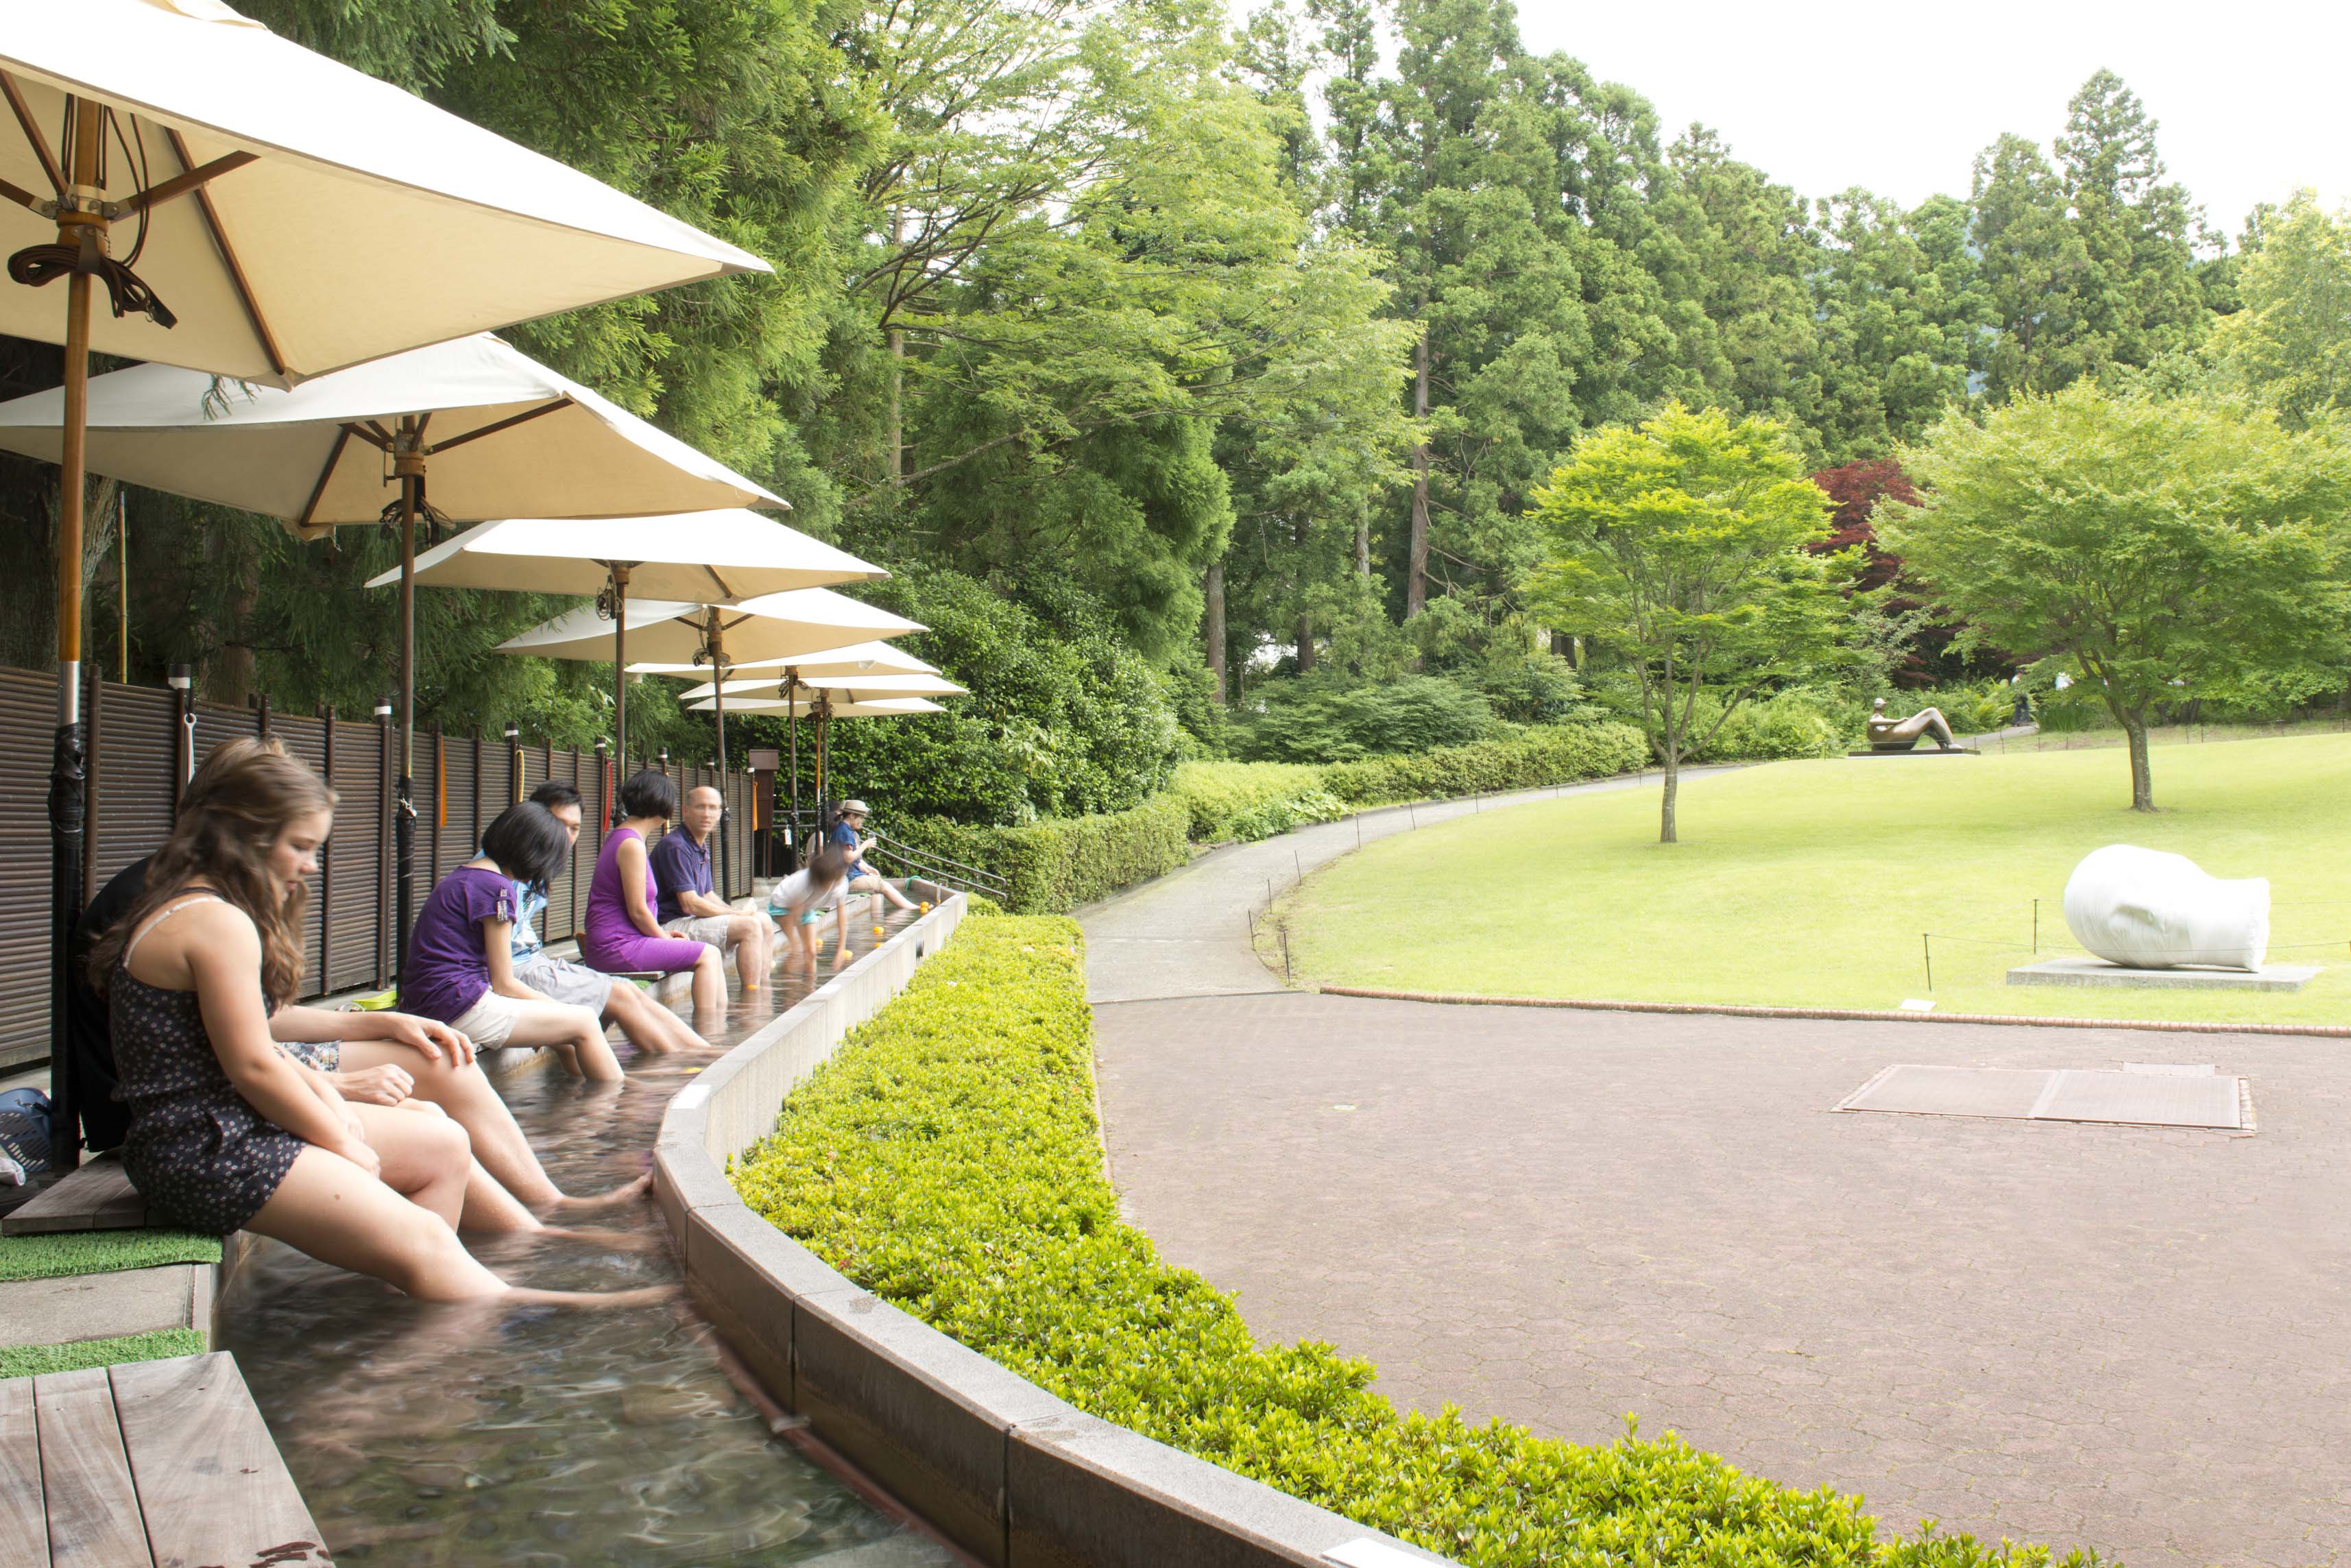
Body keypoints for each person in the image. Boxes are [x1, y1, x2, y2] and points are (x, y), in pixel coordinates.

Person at [90, 745, 633, 1301]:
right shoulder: (218, 921)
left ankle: (446, 1284)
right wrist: (341, 1139)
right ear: (243, 836)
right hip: (207, 1148)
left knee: (442, 1142)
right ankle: (501, 1302)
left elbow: (253, 1046)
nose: (311, 864)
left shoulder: (192, 903)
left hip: (210, 1128)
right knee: (423, 1230)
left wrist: (372, 1046)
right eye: (300, 845)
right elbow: (253, 1065)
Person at [403, 803, 623, 1082]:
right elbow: (504, 983)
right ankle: (618, 1107)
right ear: (535, 855)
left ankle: (581, 1103)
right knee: (585, 1021)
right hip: (456, 1005)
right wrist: (554, 1007)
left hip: (432, 1000)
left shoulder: (467, 875)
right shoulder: (497, 888)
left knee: (565, 1038)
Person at [507, 779, 708, 1057]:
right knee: (620, 997)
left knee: (624, 993)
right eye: (558, 823)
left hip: (540, 961)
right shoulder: (501, 877)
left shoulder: (531, 870)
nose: (565, 835)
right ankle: (688, 1062)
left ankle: (705, 1055)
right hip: (595, 951)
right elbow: (500, 970)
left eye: (574, 828)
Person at [581, 771, 725, 1013]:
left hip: (620, 942)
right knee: (709, 955)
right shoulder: (631, 845)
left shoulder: (624, 838)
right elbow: (638, 910)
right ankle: (711, 1031)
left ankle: (719, 1026)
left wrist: (664, 937)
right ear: (663, 804)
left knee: (707, 953)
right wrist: (663, 937)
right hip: (617, 946)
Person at [651, 784, 772, 990]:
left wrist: (736, 913)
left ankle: (764, 986)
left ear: (720, 813)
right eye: (701, 807)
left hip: (688, 919)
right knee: (749, 926)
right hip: (669, 926)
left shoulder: (699, 845)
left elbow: (706, 894)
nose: (707, 814)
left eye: (713, 808)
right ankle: (752, 1000)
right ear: (686, 811)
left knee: (764, 921)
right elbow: (689, 904)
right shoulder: (676, 846)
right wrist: (735, 915)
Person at [767, 845, 853, 971]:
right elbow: (796, 914)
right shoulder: (805, 882)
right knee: (798, 951)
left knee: (811, 953)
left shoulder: (841, 882)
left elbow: (842, 917)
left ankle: (810, 988)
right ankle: (790, 986)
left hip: (806, 907)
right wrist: (798, 945)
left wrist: (841, 950)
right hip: (782, 904)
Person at [828, 799, 915, 915]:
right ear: (852, 816)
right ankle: (913, 909)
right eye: (861, 818)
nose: (862, 822)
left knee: (878, 882)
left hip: (848, 877)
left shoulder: (844, 830)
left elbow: (854, 861)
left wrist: (868, 870)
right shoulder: (845, 832)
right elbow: (848, 858)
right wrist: (865, 845)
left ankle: (883, 917)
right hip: (847, 880)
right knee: (882, 885)